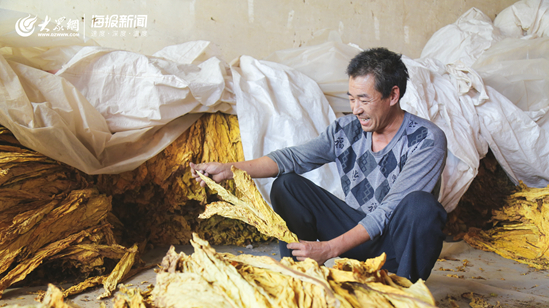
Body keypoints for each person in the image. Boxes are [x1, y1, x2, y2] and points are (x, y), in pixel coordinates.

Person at [190, 47, 447, 282]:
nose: (355, 109)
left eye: (364, 100)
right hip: (358, 238)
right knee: (287, 185)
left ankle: (405, 292)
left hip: (395, 247)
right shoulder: (347, 130)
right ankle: (297, 275)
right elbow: (293, 158)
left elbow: (388, 211)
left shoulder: (425, 139)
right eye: (351, 99)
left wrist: (329, 249)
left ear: (393, 95)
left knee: (421, 207)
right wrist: (230, 169)